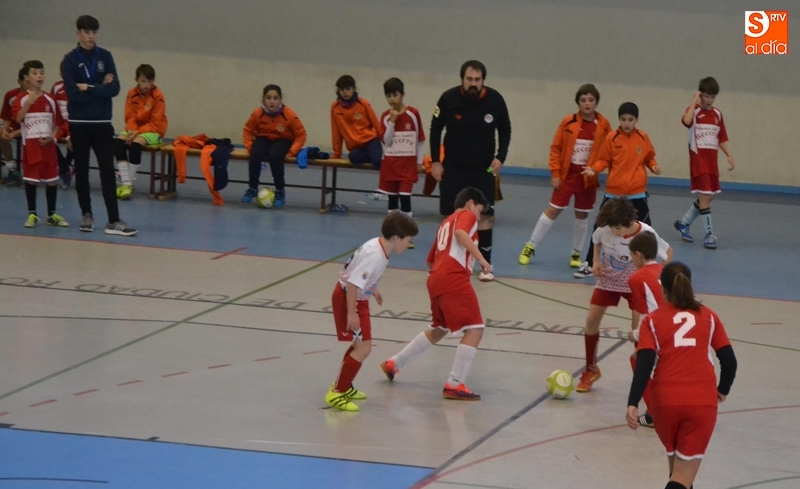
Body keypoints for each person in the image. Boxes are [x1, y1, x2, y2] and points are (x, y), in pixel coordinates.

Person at [627, 261, 737, 489]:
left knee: (678, 474)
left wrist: (633, 402)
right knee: (683, 477)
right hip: (700, 401)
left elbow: (644, 363)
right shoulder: (709, 316)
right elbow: (729, 361)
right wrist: (722, 390)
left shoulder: (652, 321)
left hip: (665, 402)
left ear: (663, 289)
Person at [380, 187, 493, 401]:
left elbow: (430, 260)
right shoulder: (466, 215)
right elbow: (461, 234)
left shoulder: (445, 223)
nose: (478, 217)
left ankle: (394, 363)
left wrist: (441, 277)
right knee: (476, 329)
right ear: (470, 204)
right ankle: (455, 383)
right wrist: (481, 259)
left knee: (439, 329)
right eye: (479, 211)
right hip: (453, 278)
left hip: (435, 279)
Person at [576, 197, 672, 393]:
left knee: (639, 329)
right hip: (609, 278)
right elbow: (596, 242)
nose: (614, 231)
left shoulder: (646, 233)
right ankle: (591, 369)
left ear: (629, 221)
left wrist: (658, 275)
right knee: (591, 319)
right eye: (611, 227)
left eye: (618, 228)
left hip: (636, 282)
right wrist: (595, 261)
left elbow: (668, 251)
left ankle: (644, 376)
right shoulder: (605, 230)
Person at [325, 211, 418, 412]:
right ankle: (337, 392)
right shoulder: (375, 255)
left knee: (360, 346)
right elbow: (352, 283)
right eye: (409, 241)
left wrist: (372, 288)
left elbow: (356, 271)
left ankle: (343, 385)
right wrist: (351, 313)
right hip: (350, 299)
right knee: (364, 348)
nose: (409, 245)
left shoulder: (378, 246)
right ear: (397, 238)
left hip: (358, 297)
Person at [429, 60, 511, 282]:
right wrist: (435, 161)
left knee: (485, 217)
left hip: (483, 170)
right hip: (453, 168)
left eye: (477, 79)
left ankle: (485, 266)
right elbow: (435, 129)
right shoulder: (448, 99)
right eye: (469, 79)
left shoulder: (495, 100)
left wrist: (500, 157)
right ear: (462, 80)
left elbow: (505, 129)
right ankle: (444, 264)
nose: (473, 84)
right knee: (450, 217)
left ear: (483, 80)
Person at [518, 84, 611, 268]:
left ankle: (576, 252)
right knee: (553, 210)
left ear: (596, 102)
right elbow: (556, 148)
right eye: (583, 100)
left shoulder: (604, 125)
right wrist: (555, 172)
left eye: (591, 100)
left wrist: (595, 169)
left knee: (582, 215)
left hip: (588, 179)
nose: (587, 104)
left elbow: (606, 153)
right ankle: (530, 245)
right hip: (567, 176)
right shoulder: (568, 122)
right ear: (578, 103)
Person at [61, 15, 137, 236]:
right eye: (86, 32)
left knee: (107, 169)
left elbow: (115, 89)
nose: (91, 36)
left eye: (94, 32)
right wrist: (100, 88)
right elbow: (73, 94)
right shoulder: (69, 61)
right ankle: (87, 214)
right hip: (79, 123)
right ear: (78, 33)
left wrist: (89, 87)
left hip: (102, 123)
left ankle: (113, 220)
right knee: (82, 169)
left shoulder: (105, 56)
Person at [575, 102, 661, 278]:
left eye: (630, 119)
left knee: (646, 230)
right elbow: (603, 160)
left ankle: (650, 266)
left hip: (637, 193)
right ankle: (590, 263)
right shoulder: (612, 138)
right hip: (614, 193)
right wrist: (594, 169)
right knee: (599, 227)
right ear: (619, 120)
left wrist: (654, 166)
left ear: (636, 120)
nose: (627, 123)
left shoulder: (643, 137)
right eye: (623, 119)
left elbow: (649, 157)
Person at [674, 77, 735, 250]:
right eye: (706, 96)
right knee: (706, 197)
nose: (709, 100)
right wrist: (694, 101)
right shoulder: (694, 112)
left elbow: (720, 138)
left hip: (712, 163)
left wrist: (729, 155)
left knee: (708, 197)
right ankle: (709, 234)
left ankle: (683, 223)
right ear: (701, 95)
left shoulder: (717, 114)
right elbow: (686, 121)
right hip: (699, 162)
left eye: (712, 97)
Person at [11, 60, 70, 229]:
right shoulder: (21, 99)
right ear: (26, 78)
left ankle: (51, 214)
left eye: (41, 73)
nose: (39, 76)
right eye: (35, 73)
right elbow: (18, 119)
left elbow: (58, 122)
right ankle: (32, 214)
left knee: (52, 181)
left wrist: (52, 137)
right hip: (31, 148)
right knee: (31, 181)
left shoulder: (50, 99)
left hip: (48, 147)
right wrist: (29, 102)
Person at [626, 230, 668, 427]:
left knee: (637, 360)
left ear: (638, 255)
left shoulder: (637, 278)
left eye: (631, 256)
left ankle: (654, 413)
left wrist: (635, 335)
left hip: (659, 331)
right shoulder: (666, 271)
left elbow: (645, 316)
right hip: (678, 328)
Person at [241, 84, 307, 207]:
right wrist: (250, 147)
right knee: (255, 154)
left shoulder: (289, 114)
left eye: (275, 98)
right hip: (264, 138)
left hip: (283, 139)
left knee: (275, 156)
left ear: (280, 99)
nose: (272, 102)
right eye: (268, 98)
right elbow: (248, 130)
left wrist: (292, 151)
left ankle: (280, 190)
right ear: (263, 99)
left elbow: (301, 135)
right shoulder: (257, 113)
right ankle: (252, 188)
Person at [114, 64, 167, 200]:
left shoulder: (158, 96)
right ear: (136, 80)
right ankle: (126, 182)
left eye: (149, 81)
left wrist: (136, 133)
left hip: (154, 130)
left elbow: (155, 122)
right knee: (118, 143)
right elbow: (130, 116)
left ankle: (127, 184)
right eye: (143, 81)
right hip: (135, 129)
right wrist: (132, 130)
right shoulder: (131, 94)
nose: (146, 85)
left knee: (135, 145)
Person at [378, 77, 425, 217]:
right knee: (392, 201)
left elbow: (420, 139)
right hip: (390, 165)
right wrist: (392, 122)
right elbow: (386, 141)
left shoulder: (413, 114)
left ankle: (406, 229)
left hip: (407, 166)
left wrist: (419, 162)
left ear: (402, 95)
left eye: (395, 95)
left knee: (405, 199)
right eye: (388, 96)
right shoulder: (385, 117)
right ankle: (392, 229)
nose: (392, 99)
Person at [330, 75, 382, 167]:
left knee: (377, 160)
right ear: (338, 91)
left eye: (348, 89)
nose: (345, 92)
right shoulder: (335, 108)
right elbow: (336, 132)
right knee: (353, 157)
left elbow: (375, 122)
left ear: (354, 89)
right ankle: (372, 156)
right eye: (342, 89)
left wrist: (386, 142)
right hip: (356, 147)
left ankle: (375, 156)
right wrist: (337, 153)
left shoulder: (363, 103)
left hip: (371, 141)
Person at [50, 73, 74, 189]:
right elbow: (51, 105)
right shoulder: (57, 87)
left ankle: (66, 168)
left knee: (74, 142)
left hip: (73, 123)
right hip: (59, 124)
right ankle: (66, 168)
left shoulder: (78, 87)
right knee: (50, 141)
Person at [1, 70, 25, 186]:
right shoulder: (11, 95)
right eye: (26, 82)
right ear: (19, 81)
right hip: (14, 127)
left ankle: (30, 175)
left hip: (32, 128)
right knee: (1, 135)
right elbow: (6, 117)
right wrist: (5, 130)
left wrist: (16, 133)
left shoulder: (36, 97)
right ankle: (12, 170)